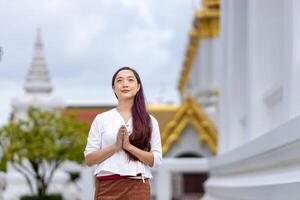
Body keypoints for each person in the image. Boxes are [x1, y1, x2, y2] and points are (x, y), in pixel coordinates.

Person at [84, 67, 162, 200]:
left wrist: (128, 147)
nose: (125, 84)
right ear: (114, 88)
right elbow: (89, 159)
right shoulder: (102, 119)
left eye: (130, 80)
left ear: (138, 87)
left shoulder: (149, 121)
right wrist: (115, 147)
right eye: (119, 80)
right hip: (107, 185)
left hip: (138, 186)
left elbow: (155, 160)